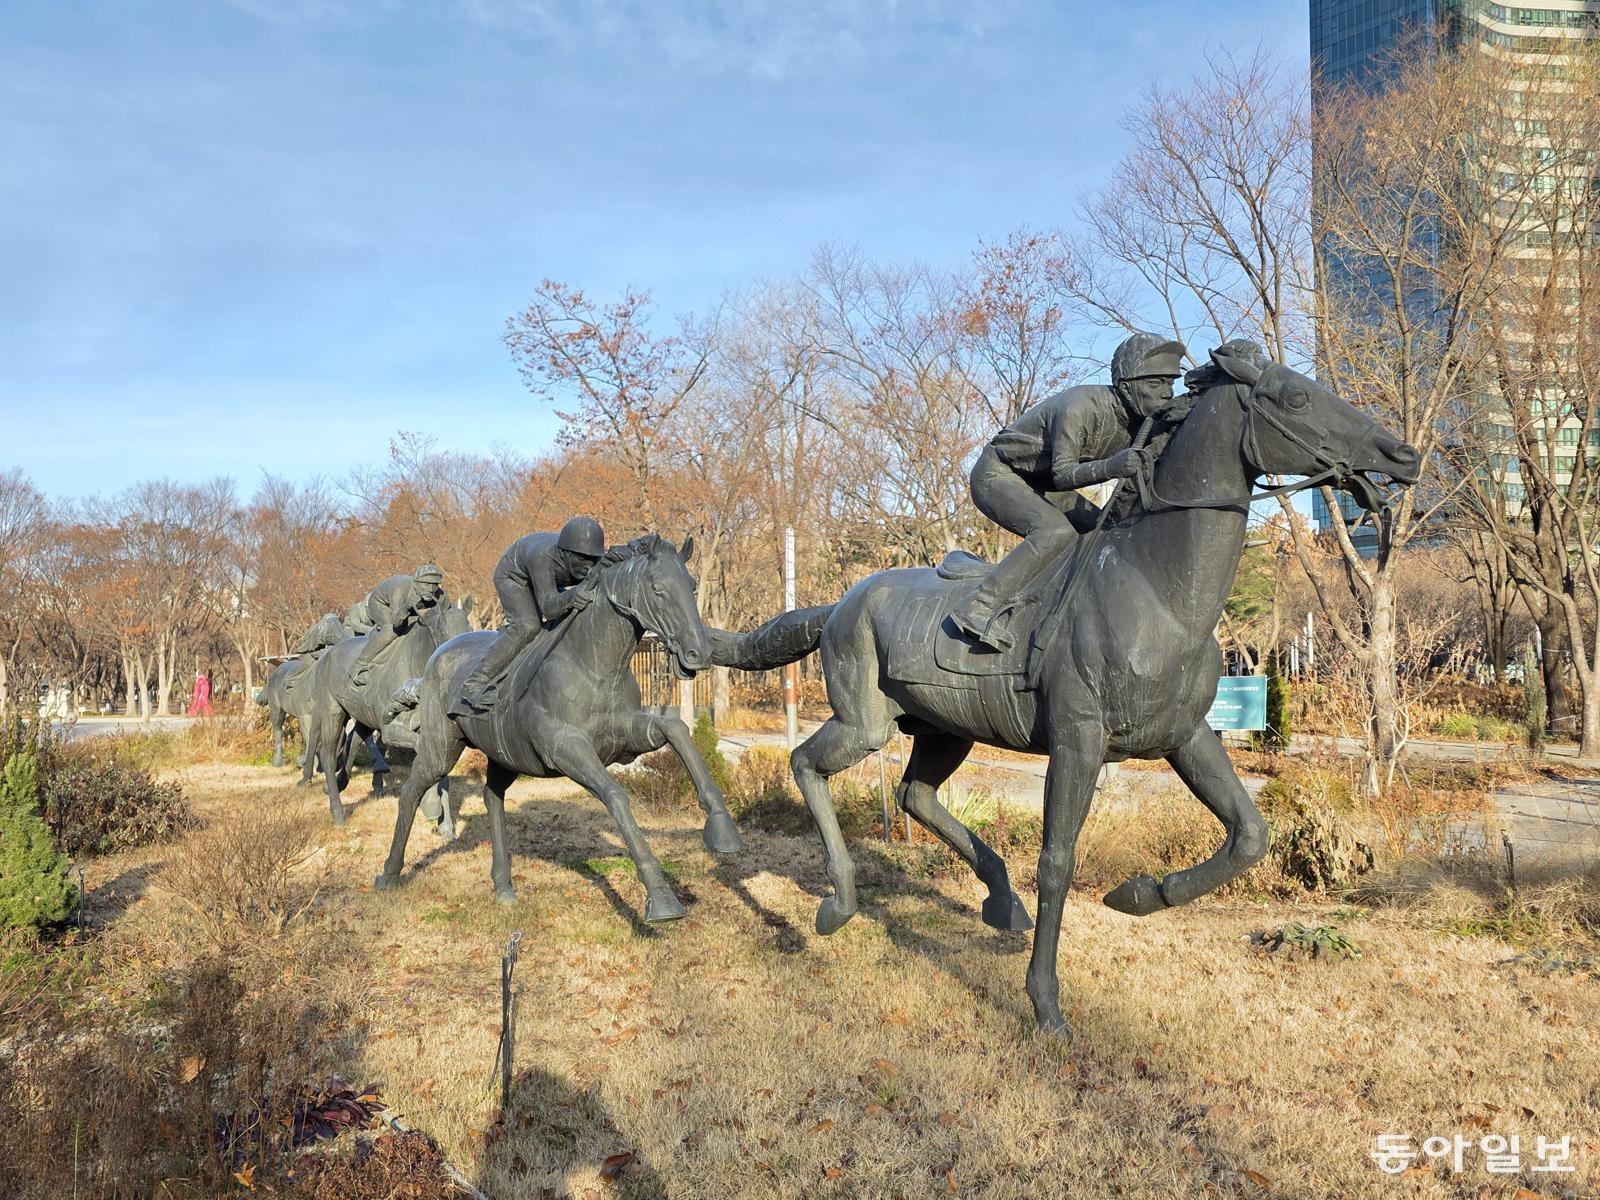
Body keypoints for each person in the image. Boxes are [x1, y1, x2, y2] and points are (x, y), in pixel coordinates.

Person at [949, 331, 1189, 651]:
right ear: (1126, 385)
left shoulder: (1143, 422)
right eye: (1155, 384)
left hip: (1042, 485)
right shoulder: (1079, 407)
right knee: (1055, 533)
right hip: (1000, 474)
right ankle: (978, 606)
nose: (1165, 394)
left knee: (1108, 532)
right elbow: (1063, 474)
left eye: (1170, 384)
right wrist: (1113, 466)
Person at [448, 517, 605, 717]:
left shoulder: (592, 557)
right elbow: (549, 607)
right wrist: (573, 595)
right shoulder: (542, 556)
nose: (589, 566)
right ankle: (474, 683)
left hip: (547, 583)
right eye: (582, 559)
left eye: (594, 559)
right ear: (565, 553)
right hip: (514, 576)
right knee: (528, 626)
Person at [350, 564, 445, 686]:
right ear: (416, 582)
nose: (431, 589)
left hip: (404, 607)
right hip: (382, 604)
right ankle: (359, 664)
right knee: (392, 631)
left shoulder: (438, 593)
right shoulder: (399, 590)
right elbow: (396, 621)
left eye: (435, 585)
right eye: (426, 584)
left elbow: (448, 615)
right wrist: (406, 607)